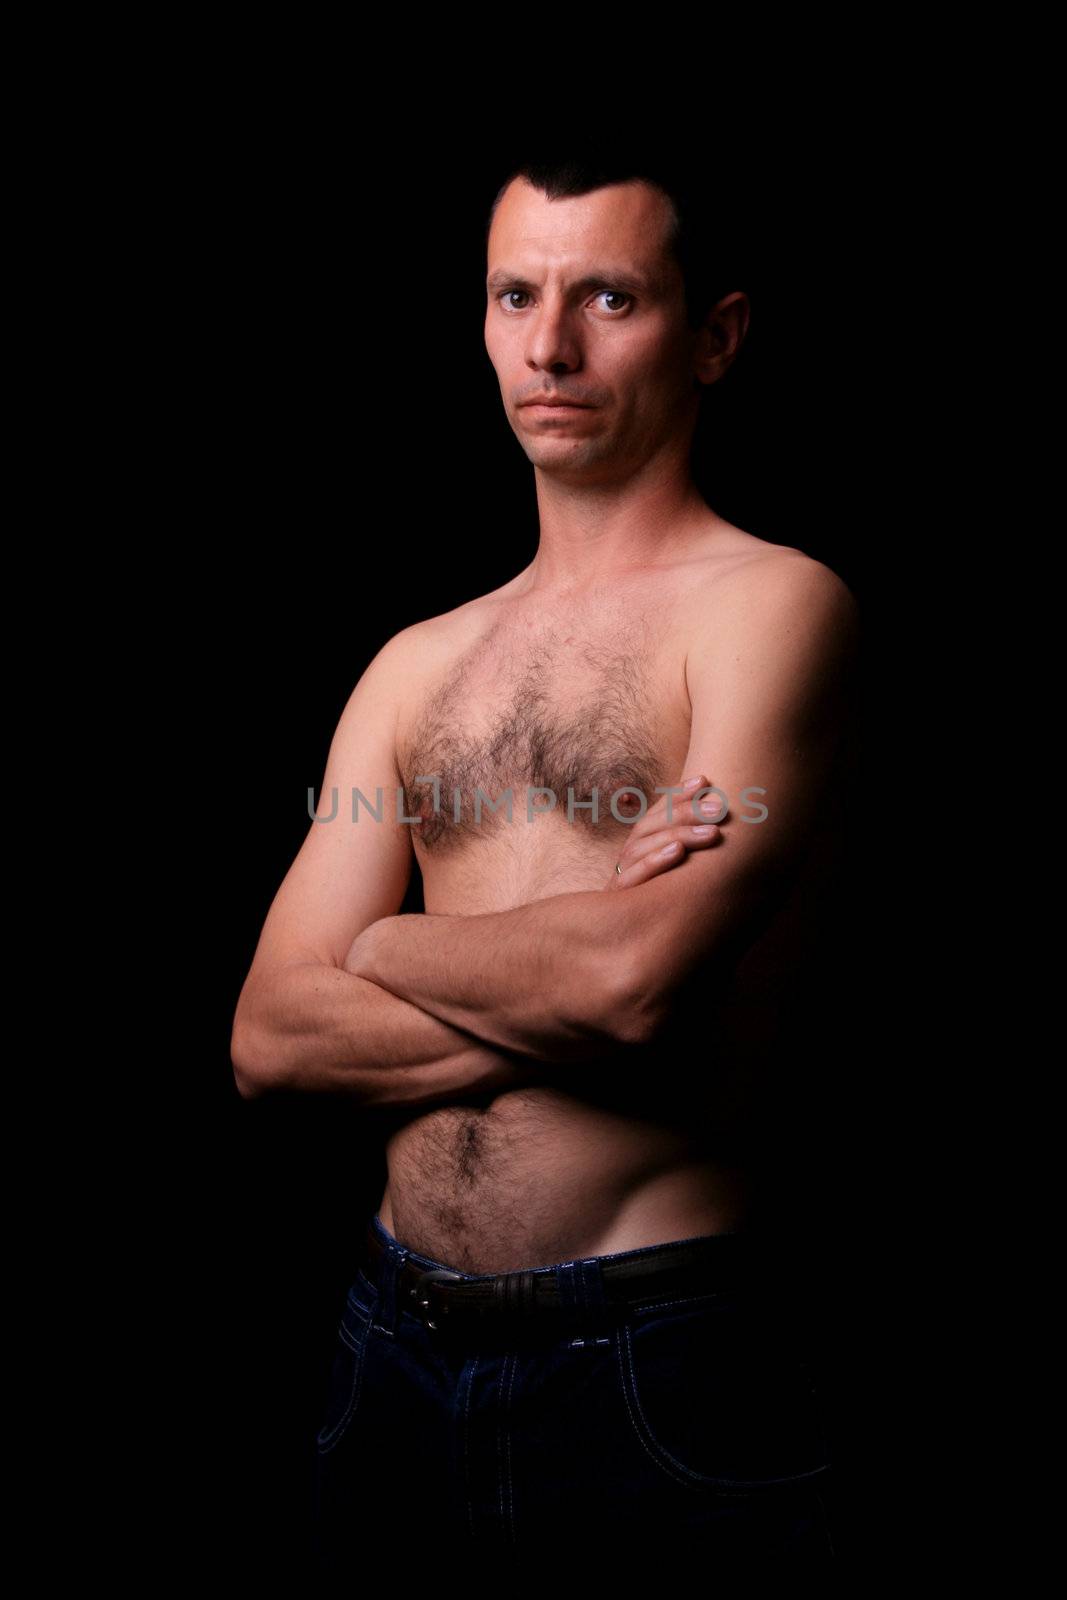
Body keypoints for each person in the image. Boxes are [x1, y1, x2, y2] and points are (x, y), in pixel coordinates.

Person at [230, 150, 859, 1558]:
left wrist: (384, 947)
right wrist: (574, 972)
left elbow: (640, 989)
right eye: (516, 295)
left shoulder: (772, 610)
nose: (550, 344)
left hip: (652, 1355)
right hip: (382, 1344)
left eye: (610, 297)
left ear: (715, 337)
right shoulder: (413, 666)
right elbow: (269, 1036)